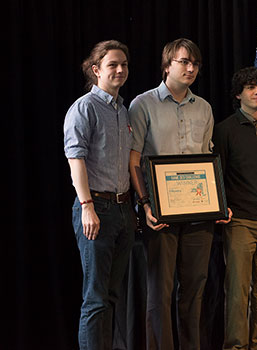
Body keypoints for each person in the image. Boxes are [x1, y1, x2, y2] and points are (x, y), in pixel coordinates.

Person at [128, 38, 231, 350]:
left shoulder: (204, 108)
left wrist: (219, 203)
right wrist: (145, 204)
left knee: (195, 289)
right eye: (184, 61)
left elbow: (209, 160)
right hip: (160, 213)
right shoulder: (142, 104)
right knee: (159, 292)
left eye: (195, 64)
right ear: (167, 65)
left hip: (199, 212)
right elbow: (134, 160)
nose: (191, 68)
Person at [63, 40, 135, 349]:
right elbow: (75, 159)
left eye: (124, 65)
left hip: (122, 211)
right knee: (95, 299)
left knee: (112, 296)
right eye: (112, 65)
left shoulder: (123, 110)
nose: (120, 70)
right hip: (96, 209)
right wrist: (87, 205)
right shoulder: (84, 107)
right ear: (96, 70)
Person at [213, 67, 257, 350]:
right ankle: (235, 346)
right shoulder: (225, 129)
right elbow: (217, 174)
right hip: (240, 221)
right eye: (250, 88)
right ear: (238, 94)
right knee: (237, 293)